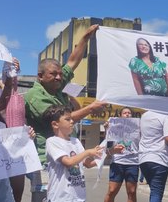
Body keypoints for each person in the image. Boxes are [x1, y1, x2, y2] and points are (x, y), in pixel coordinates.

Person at [24, 25, 107, 202]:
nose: (59, 78)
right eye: (53, 74)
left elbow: (72, 62)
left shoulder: (58, 84)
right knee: (44, 197)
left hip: (68, 152)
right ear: (40, 76)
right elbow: (58, 119)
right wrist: (91, 108)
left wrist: (85, 38)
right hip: (45, 160)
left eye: (60, 74)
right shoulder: (35, 96)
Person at [44, 104, 124, 201]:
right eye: (67, 119)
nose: (72, 121)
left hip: (79, 197)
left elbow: (88, 163)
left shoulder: (76, 141)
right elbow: (68, 162)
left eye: (71, 119)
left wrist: (110, 152)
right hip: (61, 197)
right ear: (55, 124)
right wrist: (88, 152)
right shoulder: (52, 141)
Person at [139, 110, 168, 202]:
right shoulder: (165, 116)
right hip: (159, 159)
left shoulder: (144, 116)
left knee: (154, 191)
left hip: (144, 159)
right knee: (156, 193)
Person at [104, 107, 140, 202]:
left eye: (129, 113)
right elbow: (108, 142)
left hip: (133, 163)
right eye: (125, 113)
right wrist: (106, 129)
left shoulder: (138, 126)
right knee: (112, 191)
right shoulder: (114, 125)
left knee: (132, 192)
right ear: (120, 115)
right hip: (117, 162)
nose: (127, 114)